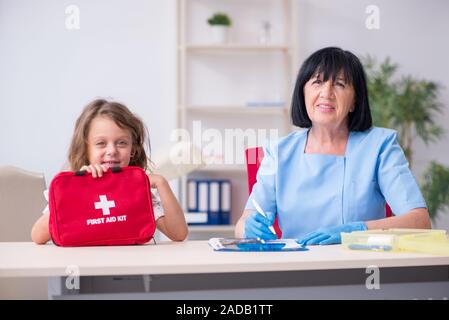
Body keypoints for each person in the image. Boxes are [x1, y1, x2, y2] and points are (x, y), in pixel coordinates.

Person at [235, 47, 430, 245]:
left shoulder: (380, 146)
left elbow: (420, 222)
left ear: (354, 101)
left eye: (340, 84)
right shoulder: (278, 152)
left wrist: (358, 230)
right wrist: (249, 228)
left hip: (358, 267)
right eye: (317, 82)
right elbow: (243, 223)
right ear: (303, 92)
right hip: (294, 266)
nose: (326, 93)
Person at [31, 99, 188, 244]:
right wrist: (76, 189)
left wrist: (160, 182)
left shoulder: (138, 191)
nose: (112, 150)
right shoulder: (71, 189)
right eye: (101, 143)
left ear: (133, 150)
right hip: (86, 268)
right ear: (86, 150)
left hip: (132, 267)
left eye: (121, 143)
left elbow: (178, 234)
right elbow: (38, 236)